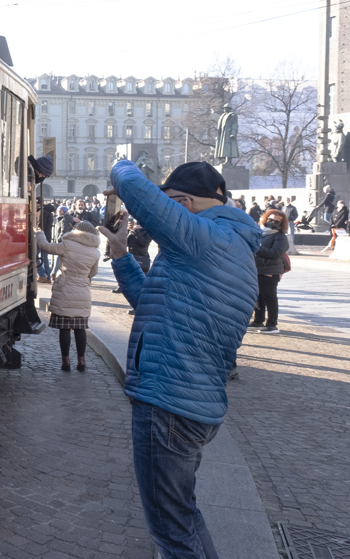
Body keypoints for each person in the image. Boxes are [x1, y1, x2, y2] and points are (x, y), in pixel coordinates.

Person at [99, 160, 260, 557]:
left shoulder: (203, 237)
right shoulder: (227, 245)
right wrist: (121, 256)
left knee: (172, 534)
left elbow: (137, 188)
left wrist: (118, 166)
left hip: (168, 404)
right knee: (182, 520)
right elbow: (150, 304)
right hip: (192, 404)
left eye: (169, 203)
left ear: (184, 202)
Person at [35, 220, 102, 372]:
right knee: (80, 328)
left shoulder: (68, 244)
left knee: (64, 328)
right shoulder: (95, 252)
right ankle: (82, 360)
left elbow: (45, 246)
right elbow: (93, 273)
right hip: (82, 291)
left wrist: (39, 233)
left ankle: (65, 361)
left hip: (65, 289)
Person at [249, 209, 289, 335]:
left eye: (277, 221)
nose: (272, 223)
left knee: (270, 297)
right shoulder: (259, 232)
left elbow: (275, 253)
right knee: (258, 296)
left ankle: (272, 324)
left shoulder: (280, 236)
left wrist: (257, 248)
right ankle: (258, 321)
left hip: (271, 270)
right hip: (257, 269)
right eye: (270, 220)